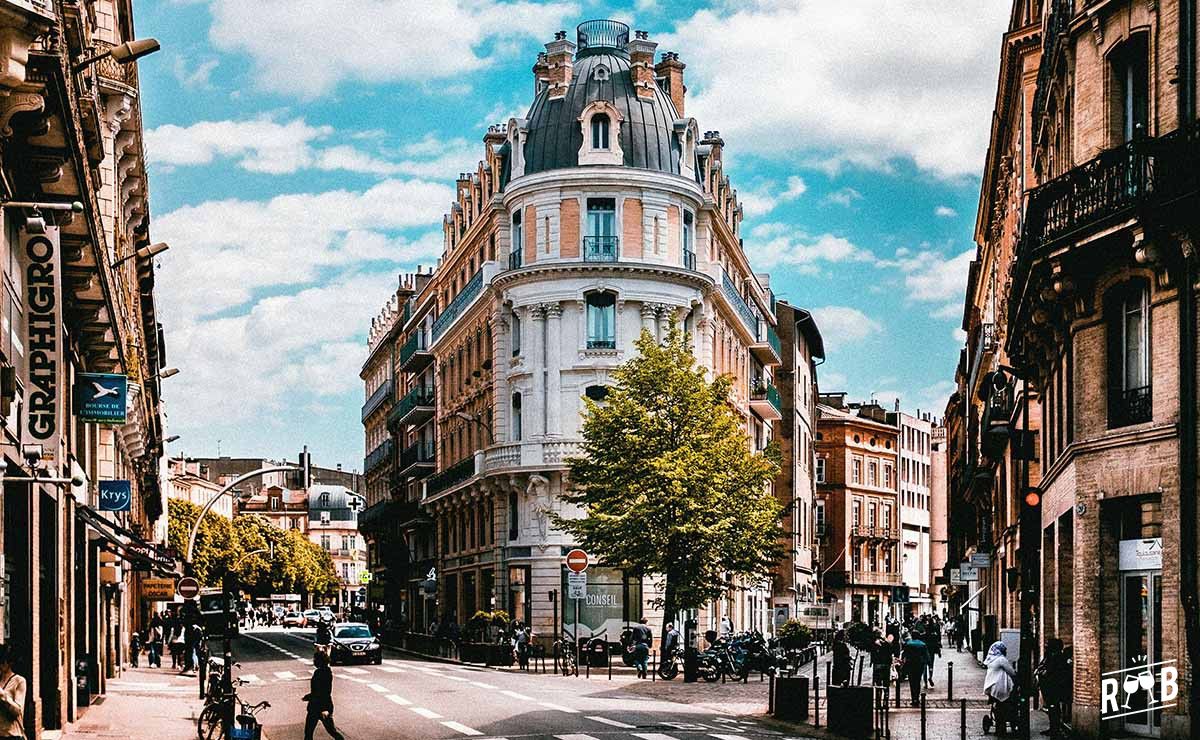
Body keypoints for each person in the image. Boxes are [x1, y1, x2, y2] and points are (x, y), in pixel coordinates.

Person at [302, 650, 345, 740]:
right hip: (315, 706)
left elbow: (324, 692)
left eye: (315, 659)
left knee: (331, 731)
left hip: (321, 707)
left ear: (320, 661)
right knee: (308, 733)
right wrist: (308, 696)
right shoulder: (323, 671)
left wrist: (325, 709)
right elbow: (317, 691)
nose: (314, 661)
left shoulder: (323, 673)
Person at [1036, 638, 1070, 738]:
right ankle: (1053, 728)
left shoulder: (1058, 658)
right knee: (1052, 709)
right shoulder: (1050, 656)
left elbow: (1052, 671)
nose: (1046, 647)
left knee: (1054, 709)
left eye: (1048, 645)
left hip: (1053, 688)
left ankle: (1055, 730)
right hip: (1048, 688)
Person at [984, 641, 1018, 735]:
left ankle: (998, 727)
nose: (1006, 652)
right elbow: (1011, 672)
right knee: (1004, 706)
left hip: (991, 686)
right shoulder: (1001, 659)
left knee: (997, 707)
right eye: (1005, 650)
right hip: (1000, 687)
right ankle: (1002, 728)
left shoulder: (991, 658)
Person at [0, 645, 26, 740]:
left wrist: (2, 695)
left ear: (9, 663)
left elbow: (17, 711)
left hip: (12, 735)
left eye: (2, 662)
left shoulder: (19, 681)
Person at [901, 634, 928, 706]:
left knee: (912, 682)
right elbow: (926, 656)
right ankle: (917, 698)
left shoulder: (908, 644)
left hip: (910, 665)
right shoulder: (923, 644)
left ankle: (913, 698)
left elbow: (904, 654)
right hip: (919, 665)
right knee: (918, 681)